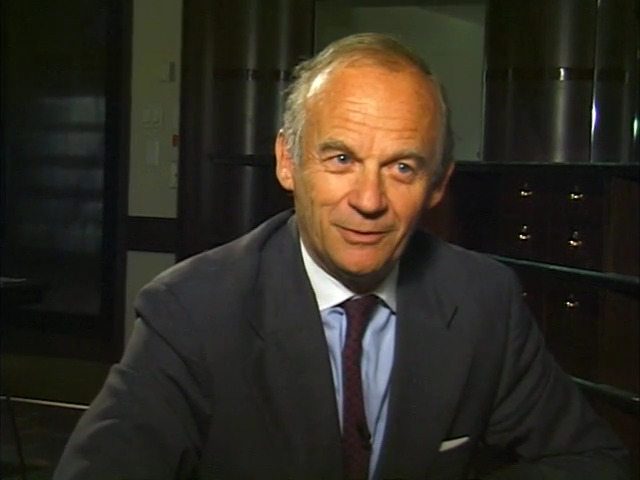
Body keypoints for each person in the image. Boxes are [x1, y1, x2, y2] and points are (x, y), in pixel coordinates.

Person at [54, 33, 630, 480]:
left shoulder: (484, 300)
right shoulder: (191, 310)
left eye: (401, 167)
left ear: (437, 185)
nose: (369, 200)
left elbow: (592, 461)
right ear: (288, 163)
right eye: (341, 160)